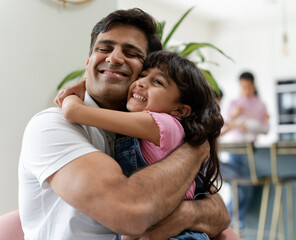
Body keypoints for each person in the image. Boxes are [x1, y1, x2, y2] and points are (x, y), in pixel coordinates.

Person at [18, 8, 231, 240]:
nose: (114, 58)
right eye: (104, 49)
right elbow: (131, 213)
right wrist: (196, 148)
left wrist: (186, 213)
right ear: (88, 63)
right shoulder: (52, 125)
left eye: (131, 53)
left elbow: (219, 211)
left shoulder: (143, 131)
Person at [56, 50, 224, 239]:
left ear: (179, 110)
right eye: (143, 75)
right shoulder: (152, 127)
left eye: (157, 82)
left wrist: (75, 93)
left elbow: (73, 112)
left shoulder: (162, 124)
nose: (141, 82)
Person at [220, 71, 269, 233]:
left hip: (251, 151)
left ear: (253, 85)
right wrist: (235, 117)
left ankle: (227, 222)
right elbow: (227, 125)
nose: (246, 89)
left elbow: (265, 128)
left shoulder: (260, 105)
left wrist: (246, 124)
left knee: (246, 187)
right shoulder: (235, 103)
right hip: (235, 151)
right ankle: (227, 222)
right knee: (241, 187)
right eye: (243, 87)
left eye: (248, 86)